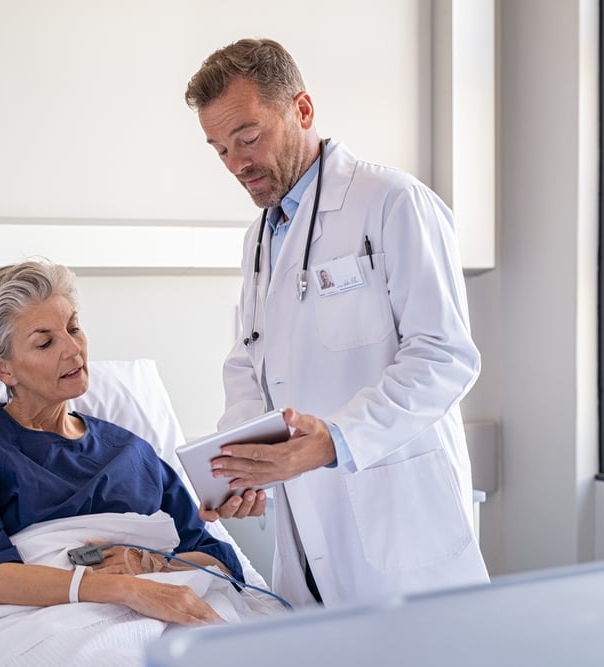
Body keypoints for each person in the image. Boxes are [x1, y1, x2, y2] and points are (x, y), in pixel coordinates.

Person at [184, 38, 489, 608]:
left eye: (248, 138)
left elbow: (443, 356)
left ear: (301, 110)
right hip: (307, 532)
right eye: (220, 149)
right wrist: (247, 467)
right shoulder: (260, 238)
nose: (237, 164)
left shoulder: (394, 203)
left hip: (398, 518)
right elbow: (251, 362)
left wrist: (338, 440)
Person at [0, 260, 244, 624]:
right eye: (45, 342)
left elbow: (217, 560)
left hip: (170, 606)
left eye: (74, 328)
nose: (73, 350)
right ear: (3, 368)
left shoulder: (133, 452)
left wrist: (152, 564)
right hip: (49, 619)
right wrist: (126, 589)